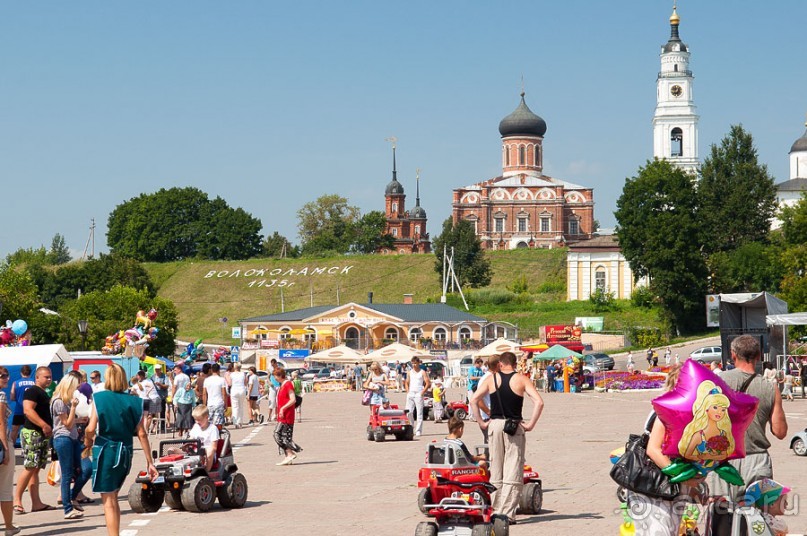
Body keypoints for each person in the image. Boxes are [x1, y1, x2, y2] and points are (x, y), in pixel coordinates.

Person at [707, 335, 788, 535]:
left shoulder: (717, 382)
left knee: (722, 517)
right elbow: (780, 432)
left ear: (733, 355)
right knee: (757, 521)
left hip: (724, 461)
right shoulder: (770, 388)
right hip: (757, 462)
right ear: (759, 356)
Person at [630, 364, 705, 536]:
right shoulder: (666, 411)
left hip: (669, 489)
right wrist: (685, 478)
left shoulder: (684, 412)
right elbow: (654, 450)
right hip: (652, 489)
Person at [470, 351, 544, 523]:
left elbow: (474, 400)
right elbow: (539, 402)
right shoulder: (521, 379)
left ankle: (495, 510)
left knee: (496, 467)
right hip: (513, 426)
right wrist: (531, 424)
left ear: (501, 364)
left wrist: (481, 421)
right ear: (514, 363)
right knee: (513, 468)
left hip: (495, 425)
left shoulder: (491, 379)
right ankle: (508, 513)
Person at [84, 363, 158, 536]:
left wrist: (88, 442)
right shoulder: (134, 400)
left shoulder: (99, 397)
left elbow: (90, 428)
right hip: (126, 450)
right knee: (114, 496)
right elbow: (142, 433)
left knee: (108, 500)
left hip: (106, 449)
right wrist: (150, 462)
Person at [13, 366, 54, 515]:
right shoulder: (32, 391)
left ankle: (36, 503)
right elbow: (27, 410)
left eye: (50, 377)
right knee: (30, 466)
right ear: (37, 378)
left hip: (41, 434)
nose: (49, 379)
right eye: (46, 377)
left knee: (35, 469)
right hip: (33, 433)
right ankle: (17, 500)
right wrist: (44, 425)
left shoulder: (42, 392)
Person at [50, 374, 90, 519]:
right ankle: (67, 508)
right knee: (67, 474)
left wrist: (80, 419)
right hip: (63, 438)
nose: (78, 389)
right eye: (76, 386)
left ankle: (72, 498)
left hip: (71, 438)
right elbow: (66, 423)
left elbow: (70, 421)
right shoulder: (59, 401)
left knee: (82, 471)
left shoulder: (65, 400)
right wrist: (73, 407)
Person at [0, 367, 20, 536]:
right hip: (1, 443)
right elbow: (1, 424)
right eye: (2, 376)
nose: (6, 378)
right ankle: (8, 527)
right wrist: (6, 449)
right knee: (5, 488)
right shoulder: (1, 396)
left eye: (6, 375)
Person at [273, 368, 302, 465]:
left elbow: (292, 399)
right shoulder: (282, 385)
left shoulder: (288, 384)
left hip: (287, 415)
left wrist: (283, 408)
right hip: (282, 414)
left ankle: (290, 453)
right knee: (283, 435)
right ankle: (287, 456)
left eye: (276, 376)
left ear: (280, 375)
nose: (275, 378)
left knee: (278, 434)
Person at [405, 357, 431, 437]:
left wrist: (423, 392)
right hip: (411, 393)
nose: (414, 365)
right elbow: (406, 382)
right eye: (412, 363)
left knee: (419, 412)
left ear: (418, 363)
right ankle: (411, 427)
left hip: (419, 392)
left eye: (415, 363)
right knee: (409, 412)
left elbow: (428, 383)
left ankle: (418, 430)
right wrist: (407, 391)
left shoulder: (422, 372)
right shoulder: (409, 372)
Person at [189, 406, 219, 473]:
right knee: (171, 450)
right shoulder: (196, 427)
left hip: (207, 453)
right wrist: (186, 446)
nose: (197, 422)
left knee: (210, 450)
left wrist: (202, 450)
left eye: (199, 420)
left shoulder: (213, 428)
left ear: (206, 417)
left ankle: (206, 472)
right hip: (195, 451)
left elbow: (214, 447)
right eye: (195, 420)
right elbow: (190, 440)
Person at [9, 365, 35, 445]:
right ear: (30, 372)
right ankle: (30, 447)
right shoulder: (34, 383)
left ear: (21, 373)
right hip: (31, 410)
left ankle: (11, 448)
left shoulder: (16, 383)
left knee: (14, 430)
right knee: (30, 429)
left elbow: (12, 397)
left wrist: (18, 398)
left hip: (19, 410)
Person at [172, 364, 195, 437]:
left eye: (175, 370)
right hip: (181, 400)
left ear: (179, 369)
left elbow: (174, 387)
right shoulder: (186, 376)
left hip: (185, 399)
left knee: (183, 417)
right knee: (183, 417)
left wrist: (172, 396)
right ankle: (183, 430)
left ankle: (184, 430)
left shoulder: (177, 377)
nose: (174, 372)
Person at [229, 363, 247, 428]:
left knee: (235, 407)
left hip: (234, 390)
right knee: (241, 406)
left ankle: (235, 422)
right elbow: (245, 383)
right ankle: (240, 422)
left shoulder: (232, 374)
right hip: (242, 390)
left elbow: (230, 383)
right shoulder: (243, 374)